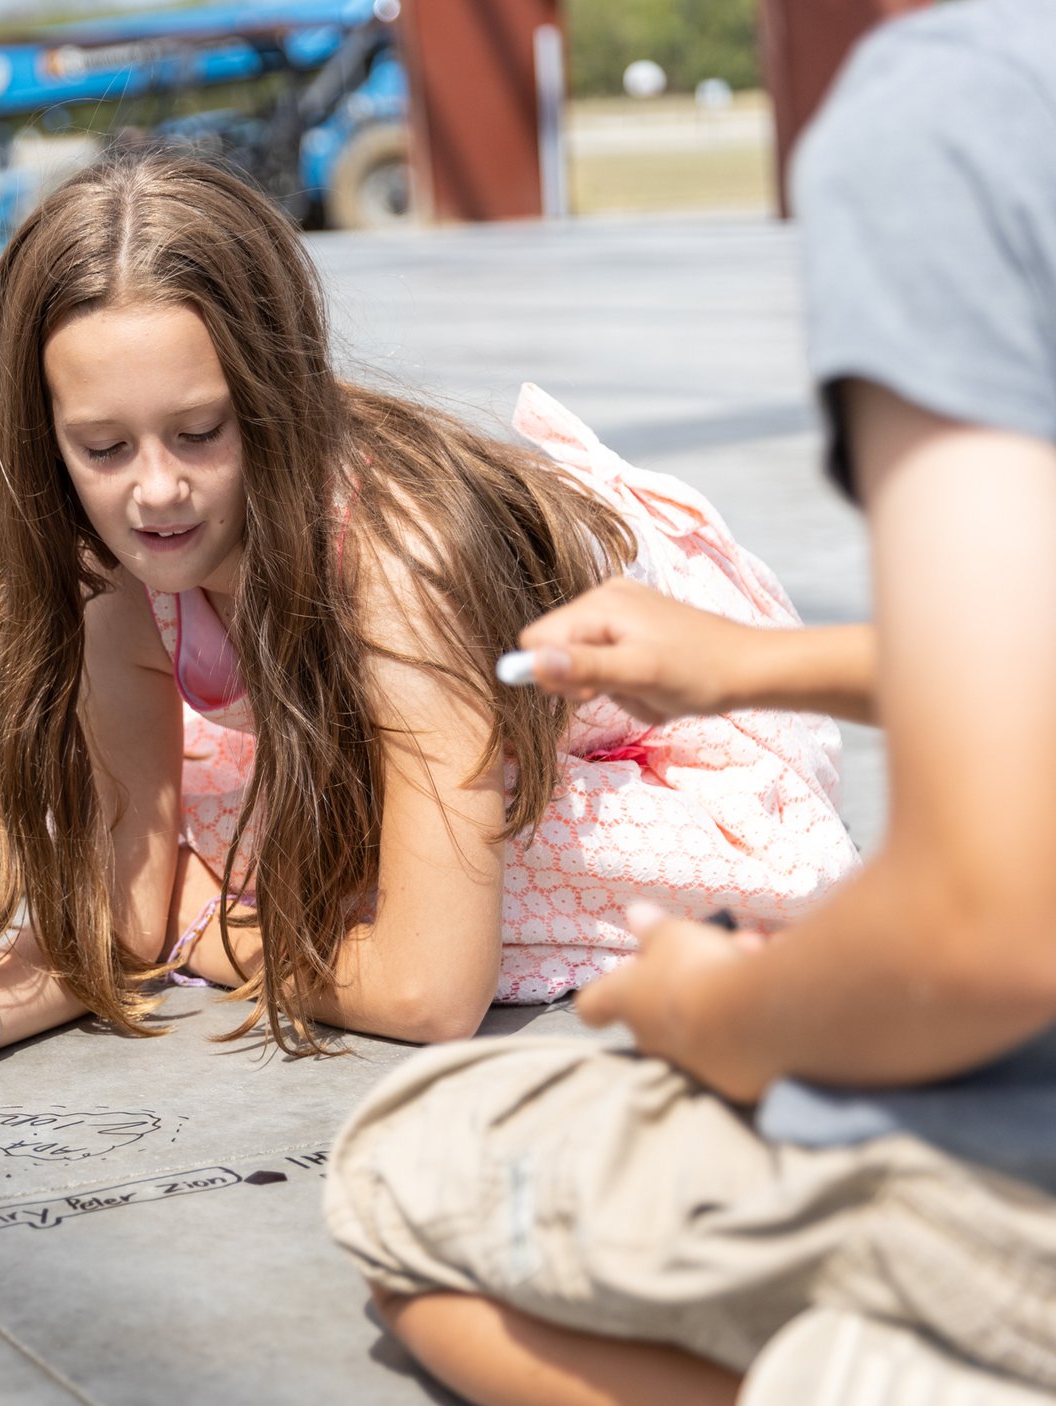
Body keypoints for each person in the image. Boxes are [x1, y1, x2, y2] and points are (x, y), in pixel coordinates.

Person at [0, 149, 854, 1107]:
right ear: (46, 442)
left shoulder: (397, 564)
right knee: (287, 859)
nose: (156, 492)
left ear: (276, 397)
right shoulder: (110, 568)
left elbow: (424, 992)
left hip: (670, 723)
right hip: (377, 688)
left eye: (199, 430)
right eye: (104, 448)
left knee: (376, 880)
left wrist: (196, 916)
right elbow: (117, 917)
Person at [324, 1, 1056, 1400]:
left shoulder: (961, 111)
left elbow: (990, 923)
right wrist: (753, 666)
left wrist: (724, 1011)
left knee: (407, 1174)